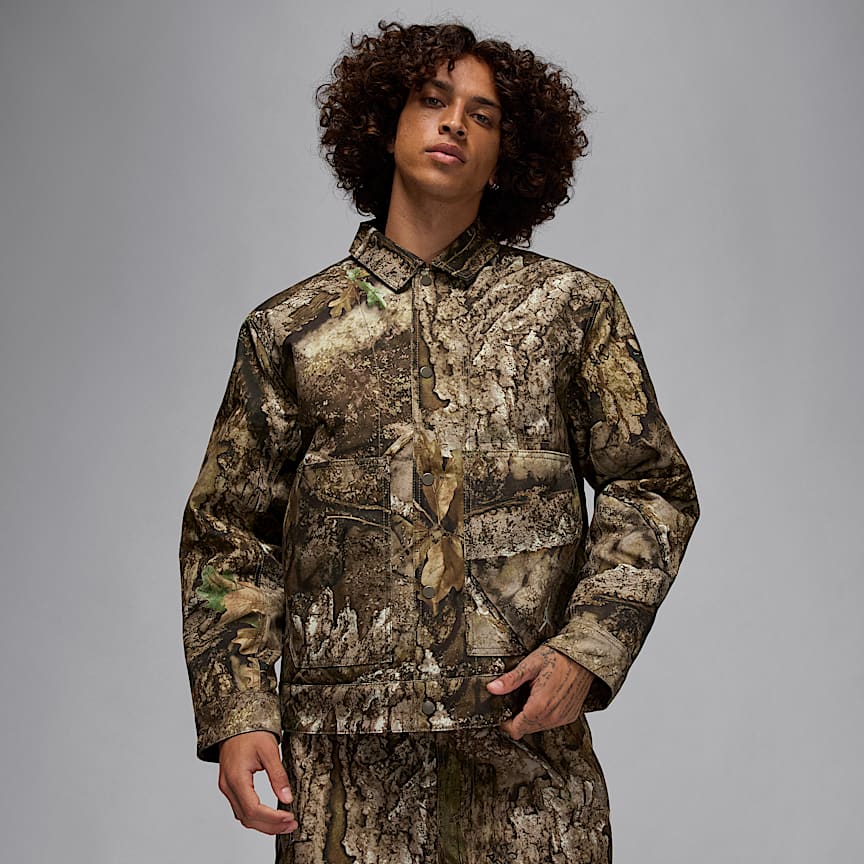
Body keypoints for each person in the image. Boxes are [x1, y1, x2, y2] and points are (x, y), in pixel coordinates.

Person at [180, 20, 699, 864]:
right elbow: (228, 534)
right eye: (432, 100)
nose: (455, 121)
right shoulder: (291, 330)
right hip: (343, 775)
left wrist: (588, 649)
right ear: (384, 128)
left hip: (523, 761)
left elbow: (652, 489)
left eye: (483, 115)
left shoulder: (571, 312)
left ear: (506, 160)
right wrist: (239, 713)